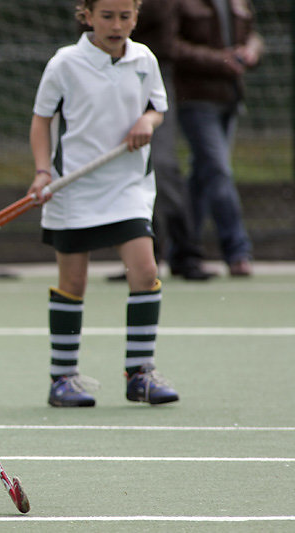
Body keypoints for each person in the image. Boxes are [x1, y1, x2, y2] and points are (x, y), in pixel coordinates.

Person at [28, 0, 179, 407]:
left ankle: (140, 373)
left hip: (128, 186)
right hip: (72, 188)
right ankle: (62, 379)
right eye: (107, 16)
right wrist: (43, 172)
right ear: (87, 15)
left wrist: (148, 121)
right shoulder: (65, 63)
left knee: (145, 270)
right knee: (73, 283)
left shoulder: (144, 58)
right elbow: (41, 121)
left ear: (136, 15)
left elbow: (157, 107)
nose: (117, 25)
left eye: (125, 16)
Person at [106, 0, 215, 281]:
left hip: (153, 72)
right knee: (127, 169)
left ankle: (187, 253)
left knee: (163, 166)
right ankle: (143, 256)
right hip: (109, 74)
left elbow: (154, 14)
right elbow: (88, 21)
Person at [172, 0, 262, 277]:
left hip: (230, 97)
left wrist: (251, 51)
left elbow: (253, 35)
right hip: (195, 99)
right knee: (219, 171)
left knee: (202, 176)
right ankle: (237, 250)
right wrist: (218, 60)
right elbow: (170, 45)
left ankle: (182, 251)